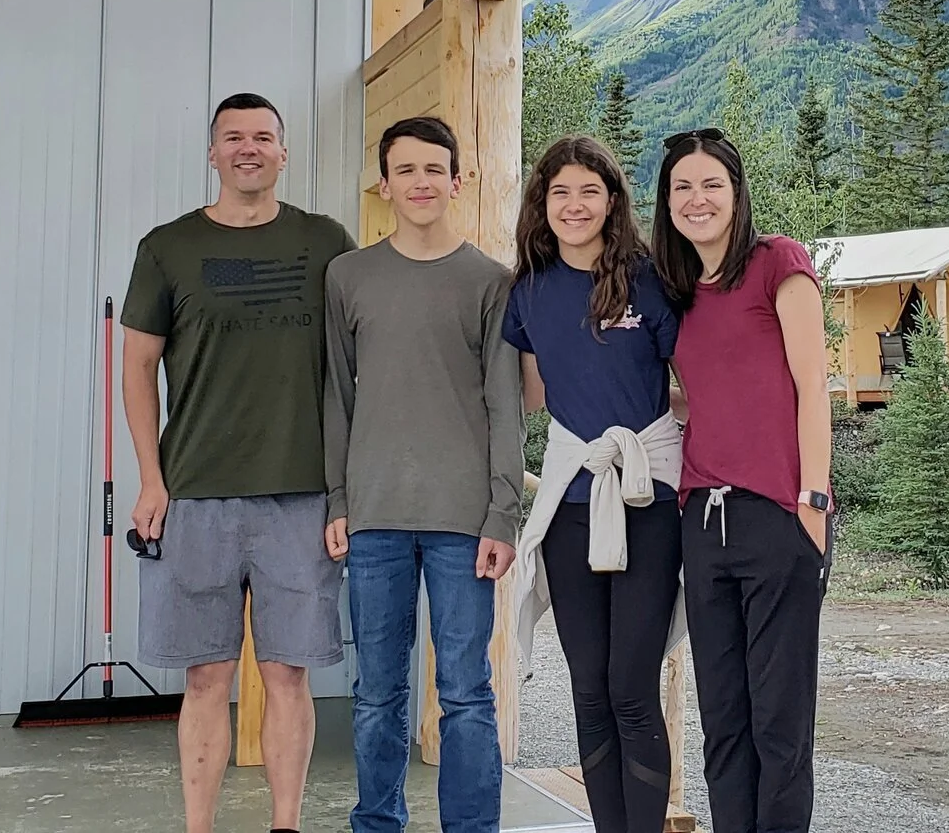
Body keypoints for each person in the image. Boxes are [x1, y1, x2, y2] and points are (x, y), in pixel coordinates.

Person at [121, 92, 356, 833]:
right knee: (205, 676)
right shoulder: (167, 247)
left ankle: (285, 822)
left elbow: (360, 358)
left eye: (263, 136)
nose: (248, 147)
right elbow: (136, 369)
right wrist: (151, 477)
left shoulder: (327, 242)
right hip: (195, 492)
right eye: (233, 137)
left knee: (288, 674)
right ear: (213, 154)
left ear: (284, 153)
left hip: (302, 493)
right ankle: (200, 825)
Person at [321, 115, 524, 833]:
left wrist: (503, 513)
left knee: (467, 691)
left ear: (458, 180)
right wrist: (337, 499)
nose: (420, 182)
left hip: (462, 522)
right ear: (384, 184)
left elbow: (506, 405)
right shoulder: (347, 276)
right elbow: (336, 398)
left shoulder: (490, 281)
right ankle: (377, 821)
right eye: (405, 169)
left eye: (434, 169)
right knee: (377, 690)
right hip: (373, 514)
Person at [652, 127, 833, 833]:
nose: (697, 199)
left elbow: (813, 384)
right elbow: (704, 395)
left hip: (778, 516)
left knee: (779, 722)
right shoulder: (679, 294)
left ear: (736, 191)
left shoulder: (776, 263)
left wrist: (812, 501)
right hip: (703, 524)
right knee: (724, 722)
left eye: (711, 184)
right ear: (666, 202)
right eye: (682, 187)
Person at [508, 137, 685, 833]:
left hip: (647, 501)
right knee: (587, 690)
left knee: (631, 687)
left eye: (589, 190)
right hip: (569, 506)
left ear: (612, 199)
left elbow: (694, 388)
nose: (574, 205)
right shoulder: (529, 289)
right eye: (560, 192)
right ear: (542, 204)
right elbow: (523, 397)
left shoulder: (651, 280)